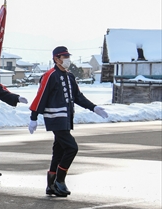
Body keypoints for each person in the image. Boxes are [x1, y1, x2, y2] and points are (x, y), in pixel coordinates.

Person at [28, 46, 108, 197]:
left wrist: (94, 107)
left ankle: (50, 185)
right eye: (63, 57)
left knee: (58, 151)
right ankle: (60, 181)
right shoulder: (49, 75)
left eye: (67, 56)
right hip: (55, 118)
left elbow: (77, 96)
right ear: (56, 59)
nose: (67, 60)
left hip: (66, 119)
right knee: (72, 148)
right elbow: (41, 96)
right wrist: (33, 117)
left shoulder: (69, 76)